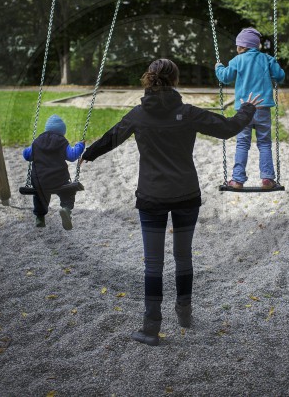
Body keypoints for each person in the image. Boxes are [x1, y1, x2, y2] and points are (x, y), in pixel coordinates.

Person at [81, 58, 262, 346]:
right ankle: (184, 312)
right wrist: (248, 109)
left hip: (151, 197)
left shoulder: (139, 115)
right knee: (183, 256)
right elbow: (228, 129)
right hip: (186, 194)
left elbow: (110, 138)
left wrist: (87, 154)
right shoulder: (187, 113)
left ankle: (151, 327)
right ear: (175, 81)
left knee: (153, 264)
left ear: (148, 80)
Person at [215, 27, 285, 189]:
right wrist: (273, 64)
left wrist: (218, 67)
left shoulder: (237, 60)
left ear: (241, 47)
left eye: (237, 45)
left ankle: (238, 180)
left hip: (244, 111)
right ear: (256, 46)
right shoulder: (266, 59)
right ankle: (267, 178)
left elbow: (225, 77)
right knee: (265, 143)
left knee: (242, 143)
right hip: (262, 108)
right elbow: (280, 76)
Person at [22, 114, 85, 229]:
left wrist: (28, 149)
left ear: (46, 129)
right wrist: (80, 145)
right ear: (62, 131)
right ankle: (66, 209)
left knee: (39, 196)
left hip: (40, 181)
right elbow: (72, 156)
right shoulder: (62, 142)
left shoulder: (37, 142)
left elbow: (27, 155)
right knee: (68, 192)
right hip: (59, 181)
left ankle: (40, 217)